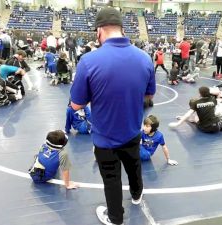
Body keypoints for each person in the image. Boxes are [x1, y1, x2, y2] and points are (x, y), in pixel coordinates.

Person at [70, 7, 155, 225]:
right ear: (122, 29)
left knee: (111, 179)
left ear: (100, 31)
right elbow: (149, 94)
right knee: (134, 167)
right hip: (132, 130)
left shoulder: (89, 61)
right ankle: (137, 195)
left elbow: (76, 104)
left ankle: (115, 218)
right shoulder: (145, 58)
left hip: (105, 137)